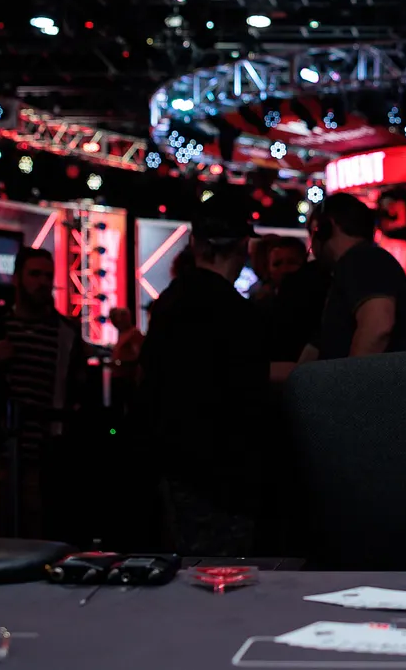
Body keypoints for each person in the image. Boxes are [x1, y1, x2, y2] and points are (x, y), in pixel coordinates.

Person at [139, 197, 269, 555]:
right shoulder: (241, 315)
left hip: (177, 469)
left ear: (194, 243)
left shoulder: (169, 304)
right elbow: (251, 398)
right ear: (243, 246)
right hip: (227, 477)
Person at [0, 247, 90, 538]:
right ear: (17, 278)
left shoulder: (65, 334)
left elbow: (77, 391)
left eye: (48, 276)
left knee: (35, 533)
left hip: (43, 456)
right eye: (35, 274)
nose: (43, 282)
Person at [297, 193, 406, 364]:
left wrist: (349, 378)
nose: (312, 243)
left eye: (313, 232)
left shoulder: (363, 259)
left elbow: (378, 326)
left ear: (326, 228)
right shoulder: (352, 266)